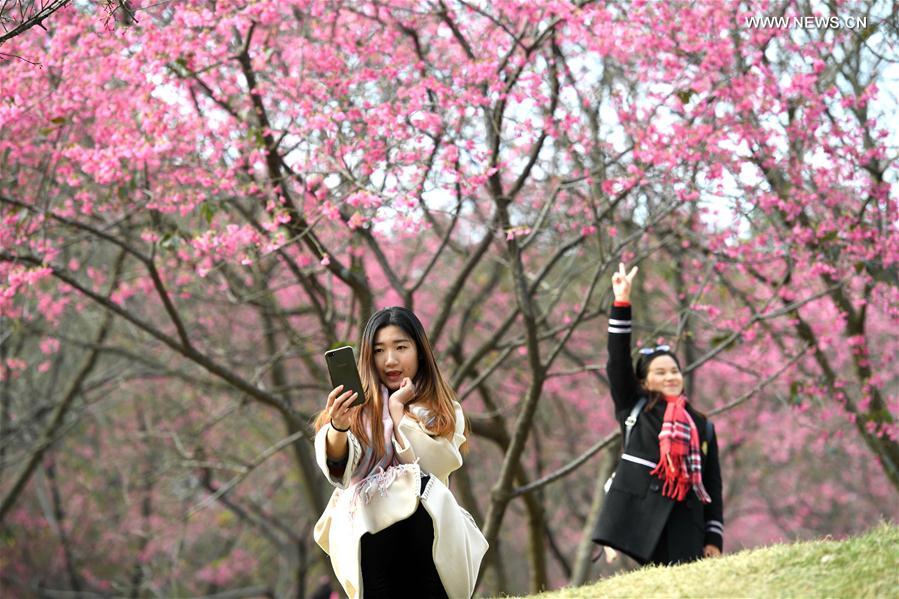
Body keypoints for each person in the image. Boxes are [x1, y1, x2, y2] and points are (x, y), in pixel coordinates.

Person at [313, 306, 488, 599]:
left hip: (425, 536)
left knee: (416, 490)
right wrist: (339, 427)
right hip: (370, 536)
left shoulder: (443, 411)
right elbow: (339, 467)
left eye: (401, 347)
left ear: (420, 352)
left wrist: (397, 413)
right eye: (379, 350)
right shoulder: (355, 411)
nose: (390, 360)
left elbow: (431, 467)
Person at [592, 263, 724, 566]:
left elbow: (712, 484)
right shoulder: (634, 406)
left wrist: (713, 536)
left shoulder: (701, 425)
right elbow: (617, 361)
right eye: (660, 372)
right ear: (644, 381)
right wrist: (621, 302)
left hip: (688, 522)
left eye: (674, 371)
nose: (670, 377)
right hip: (644, 520)